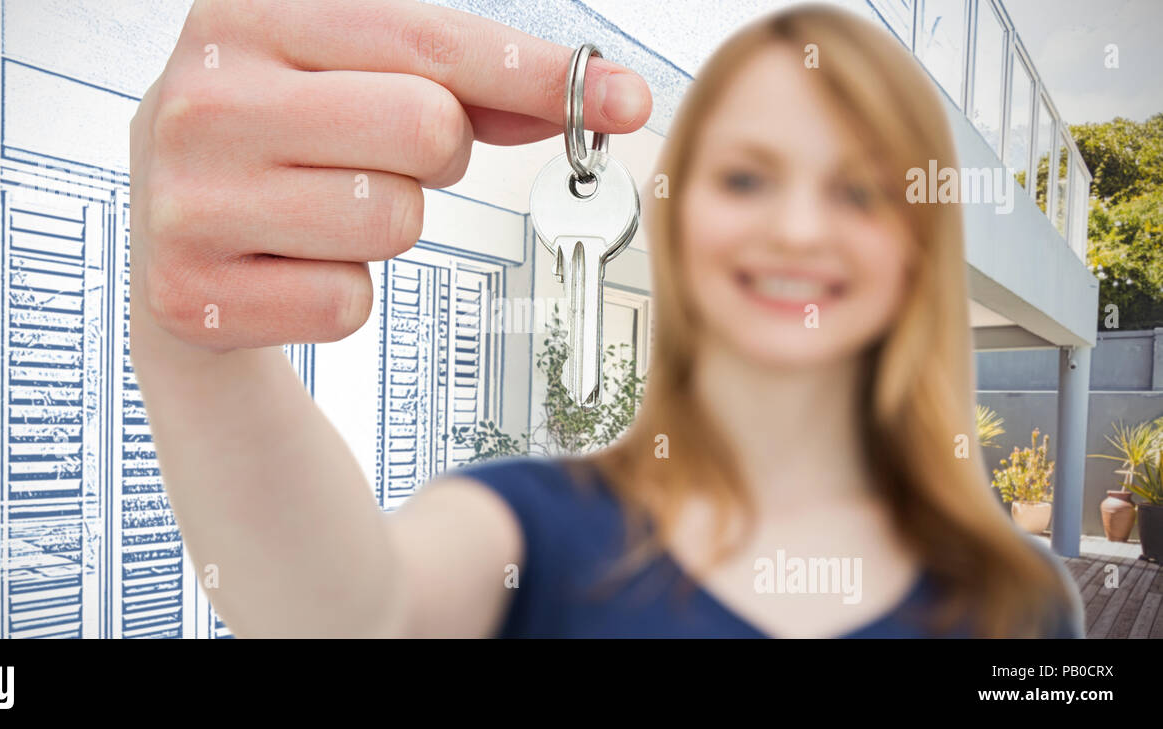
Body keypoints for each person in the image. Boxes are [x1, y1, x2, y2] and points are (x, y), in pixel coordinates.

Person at [128, 0, 1084, 638]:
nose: (798, 227)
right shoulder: (533, 526)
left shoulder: (1025, 599)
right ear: (672, 218)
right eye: (747, 176)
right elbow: (347, 615)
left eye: (861, 191)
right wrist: (196, 345)